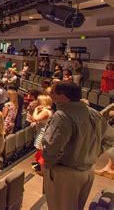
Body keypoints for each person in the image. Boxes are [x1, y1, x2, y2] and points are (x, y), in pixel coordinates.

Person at [42, 82, 109, 210]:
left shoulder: (62, 116)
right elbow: (110, 138)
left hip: (65, 174)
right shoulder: (94, 113)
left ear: (63, 97)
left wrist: (48, 165)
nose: (50, 95)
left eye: (53, 93)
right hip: (88, 172)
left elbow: (51, 148)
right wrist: (95, 152)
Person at [30, 95, 53, 170]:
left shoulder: (46, 111)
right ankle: (40, 164)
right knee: (39, 148)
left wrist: (36, 110)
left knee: (39, 149)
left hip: (42, 133)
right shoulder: (46, 110)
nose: (37, 102)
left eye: (38, 101)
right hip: (41, 131)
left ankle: (41, 166)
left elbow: (35, 118)